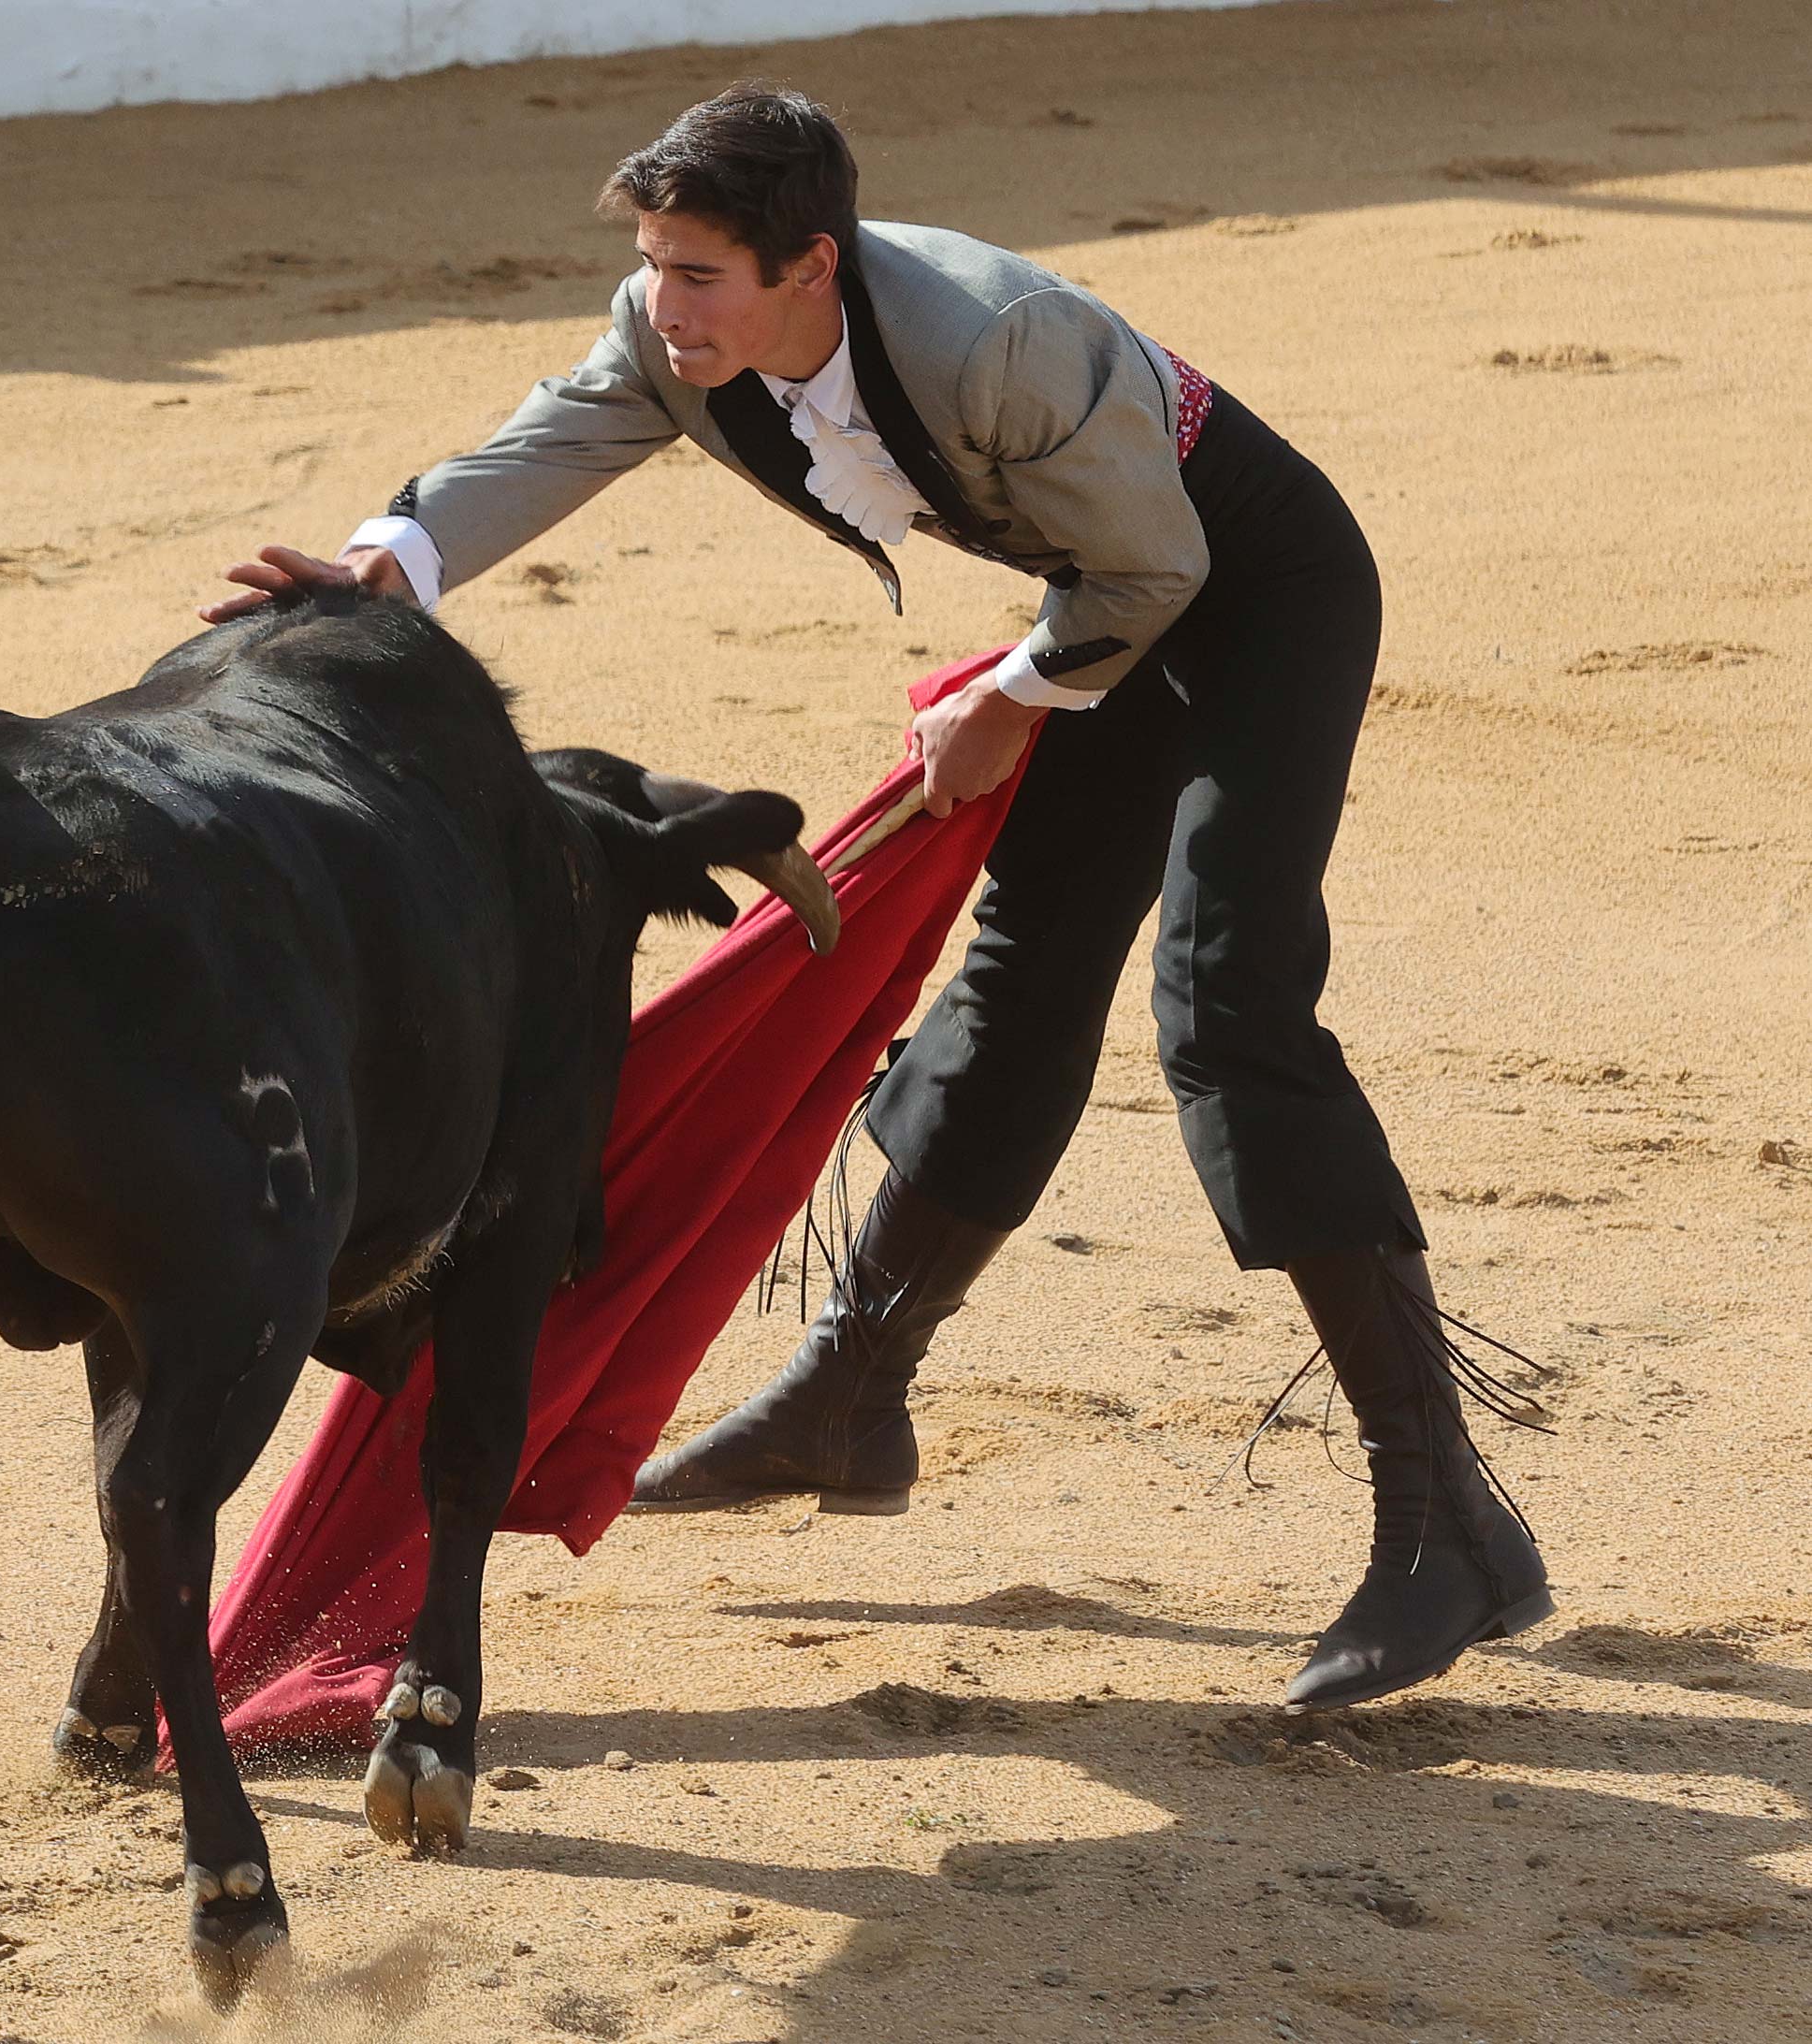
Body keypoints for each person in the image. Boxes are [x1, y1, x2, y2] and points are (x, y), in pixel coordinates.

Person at [200, 85, 1552, 1711]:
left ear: (809, 265)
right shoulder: (668, 333)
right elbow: (545, 439)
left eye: (698, 272)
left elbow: (1156, 571)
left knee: (1228, 1005)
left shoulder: (996, 341)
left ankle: (1446, 1522)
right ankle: (852, 1389)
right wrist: (385, 568)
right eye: (650, 262)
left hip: (1247, 597)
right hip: (1105, 602)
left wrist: (1015, 696)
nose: (661, 300)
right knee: (1021, 971)